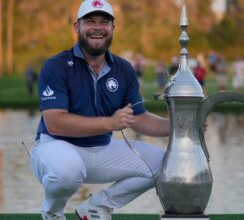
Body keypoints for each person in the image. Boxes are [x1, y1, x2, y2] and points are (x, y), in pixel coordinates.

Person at [31, 1, 169, 219]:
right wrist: (109, 123)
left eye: (104, 22)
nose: (97, 27)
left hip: (101, 150)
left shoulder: (123, 68)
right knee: (68, 168)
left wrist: (183, 126)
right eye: (90, 21)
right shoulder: (56, 65)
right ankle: (53, 212)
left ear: (113, 28)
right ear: (77, 27)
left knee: (166, 164)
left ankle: (96, 206)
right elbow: (55, 123)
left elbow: (139, 117)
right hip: (55, 147)